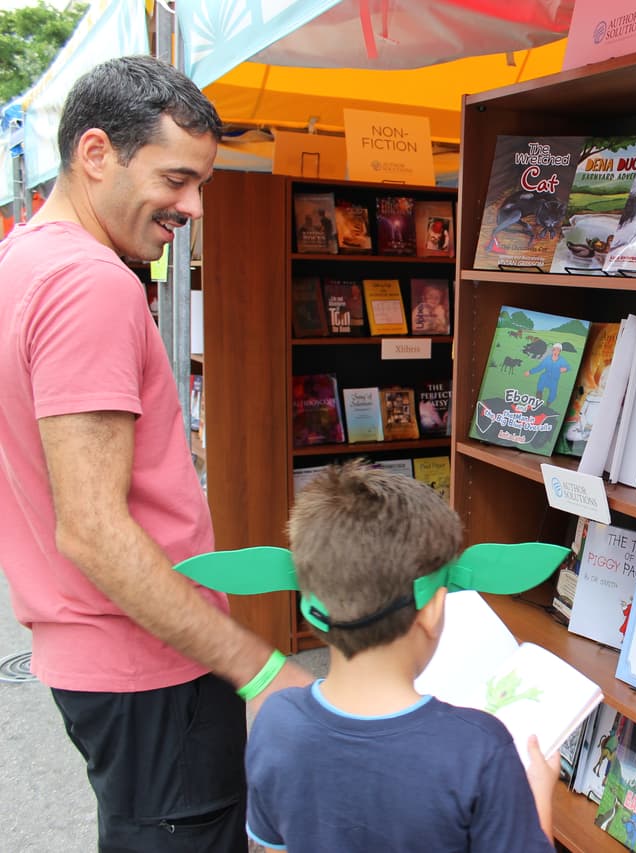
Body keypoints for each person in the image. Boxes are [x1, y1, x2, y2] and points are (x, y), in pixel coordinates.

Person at [0, 55, 311, 851]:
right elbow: (94, 528)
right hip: (149, 661)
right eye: (176, 179)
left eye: (201, 182)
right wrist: (260, 665)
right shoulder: (89, 283)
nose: (195, 206)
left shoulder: (24, 262)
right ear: (96, 152)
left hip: (100, 655)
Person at [245, 462, 557, 850]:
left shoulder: (275, 722)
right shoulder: (481, 749)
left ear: (312, 610)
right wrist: (538, 794)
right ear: (432, 611)